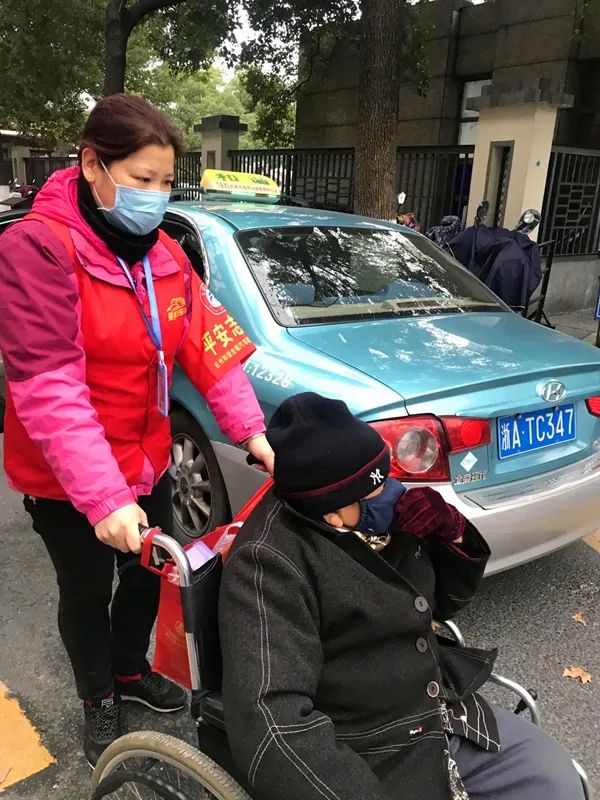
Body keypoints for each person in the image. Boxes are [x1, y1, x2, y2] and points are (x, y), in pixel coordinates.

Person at [0, 94, 274, 767]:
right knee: (88, 588)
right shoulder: (37, 248)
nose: (154, 196)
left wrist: (253, 433)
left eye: (166, 182)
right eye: (141, 179)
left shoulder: (165, 255)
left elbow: (209, 348)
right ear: (93, 164)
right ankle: (98, 694)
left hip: (145, 459)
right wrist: (104, 499)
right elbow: (51, 390)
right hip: (67, 476)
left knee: (150, 576)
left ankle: (129, 669)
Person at [219, 393, 584, 800]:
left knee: (555, 781)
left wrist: (451, 533)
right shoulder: (268, 565)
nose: (392, 493)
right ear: (332, 513)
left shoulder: (374, 522)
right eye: (375, 492)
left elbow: (446, 602)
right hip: (367, 743)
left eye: (387, 477)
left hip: (436, 705)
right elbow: (272, 719)